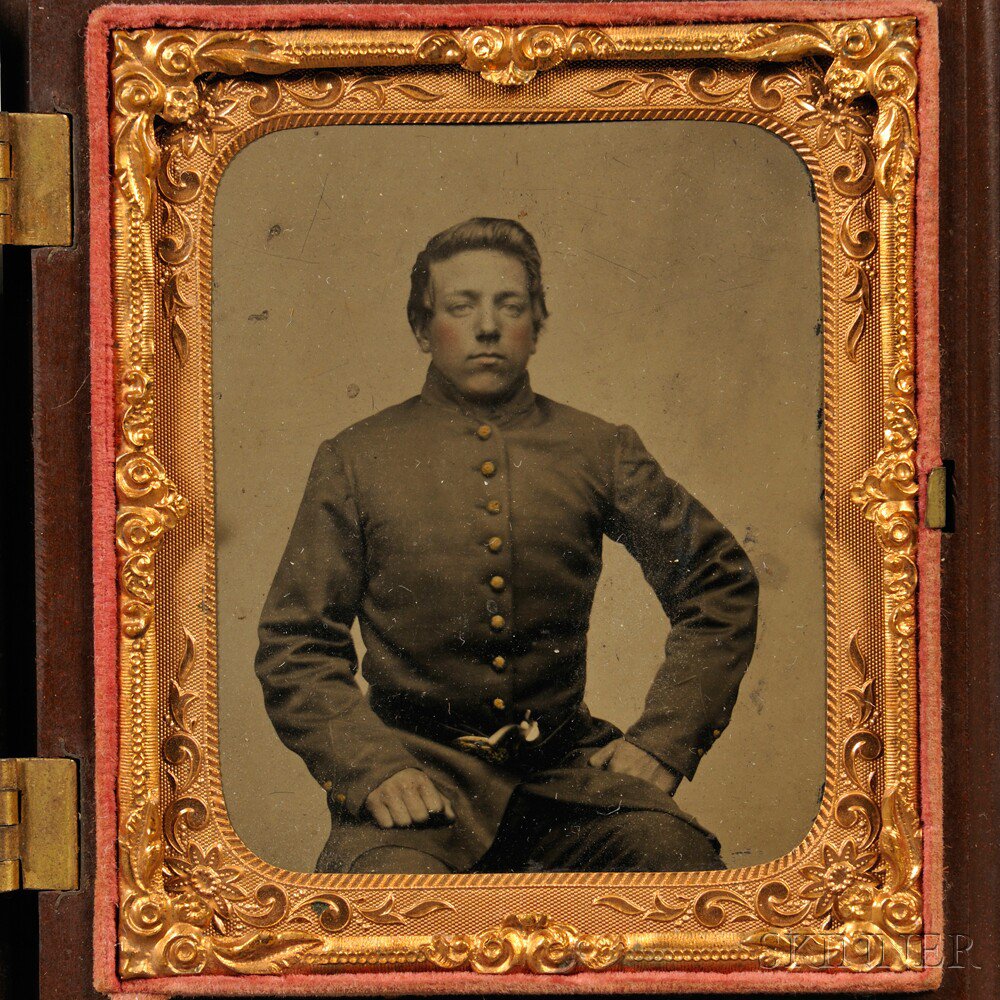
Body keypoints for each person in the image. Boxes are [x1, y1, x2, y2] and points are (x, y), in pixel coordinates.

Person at [255, 217, 758, 875]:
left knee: (684, 876)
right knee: (387, 920)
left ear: (537, 326)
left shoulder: (597, 449)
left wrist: (664, 742)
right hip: (418, 784)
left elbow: (717, 581)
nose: (487, 326)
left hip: (571, 775)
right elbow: (296, 644)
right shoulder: (356, 460)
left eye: (509, 305)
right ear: (420, 327)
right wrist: (372, 769)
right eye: (461, 307)